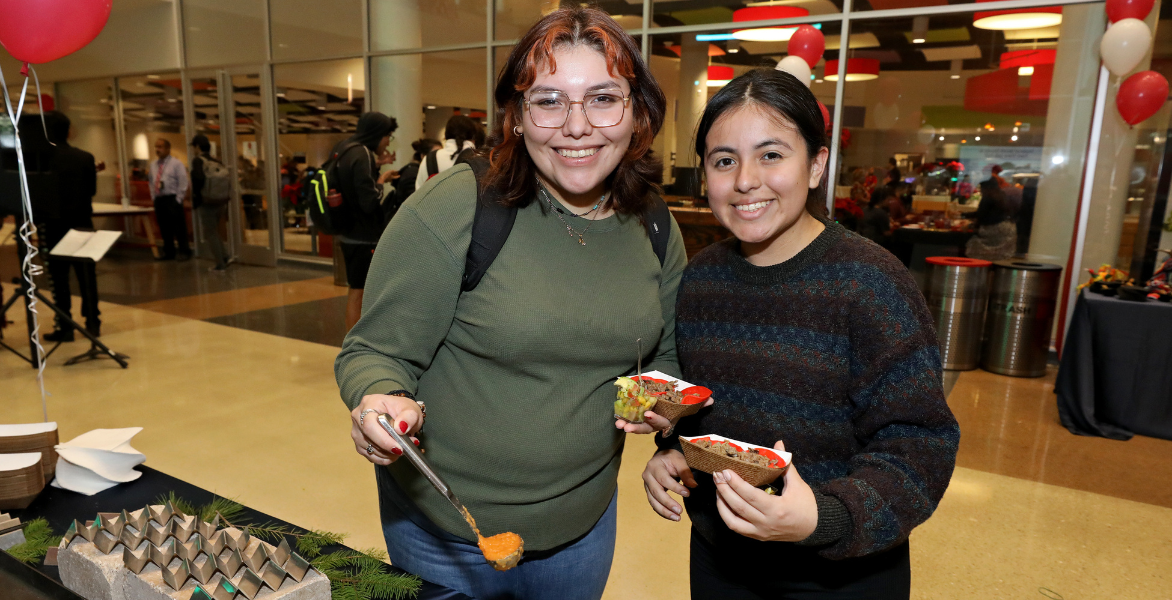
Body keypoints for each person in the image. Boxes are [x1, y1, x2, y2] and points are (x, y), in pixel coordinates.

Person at [335, 7, 690, 599]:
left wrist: (660, 412)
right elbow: (375, 350)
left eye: (603, 98)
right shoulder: (459, 207)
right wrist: (382, 399)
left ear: (638, 113)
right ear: (517, 117)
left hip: (584, 524)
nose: (577, 127)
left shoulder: (652, 221)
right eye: (549, 100)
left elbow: (668, 357)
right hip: (446, 529)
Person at [641, 68, 959, 599]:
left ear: (816, 165)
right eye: (724, 160)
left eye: (771, 155)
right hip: (722, 561)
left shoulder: (872, 282)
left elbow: (920, 445)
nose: (745, 180)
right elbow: (709, 409)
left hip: (840, 573)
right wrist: (673, 448)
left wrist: (823, 519)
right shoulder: (702, 278)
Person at [334, 112, 398, 331]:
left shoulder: (345, 148)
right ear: (377, 134)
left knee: (357, 290)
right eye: (387, 136)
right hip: (362, 235)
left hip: (348, 231)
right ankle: (353, 348)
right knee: (359, 292)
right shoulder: (363, 154)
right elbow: (369, 202)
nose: (388, 141)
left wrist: (378, 165)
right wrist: (381, 181)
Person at [40, 112, 102, 341]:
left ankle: (65, 325)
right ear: (68, 131)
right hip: (82, 223)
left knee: (59, 279)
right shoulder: (85, 158)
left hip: (54, 225)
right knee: (87, 276)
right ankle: (93, 322)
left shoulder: (43, 159)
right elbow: (92, 190)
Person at [190, 134, 230, 272]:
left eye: (193, 146)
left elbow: (198, 180)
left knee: (210, 233)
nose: (193, 150)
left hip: (206, 202)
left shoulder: (198, 161)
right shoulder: (217, 161)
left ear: (197, 147)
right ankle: (224, 256)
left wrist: (196, 198)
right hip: (220, 201)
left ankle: (220, 264)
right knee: (215, 230)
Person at [148, 138, 191, 261]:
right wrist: (153, 197)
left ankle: (184, 251)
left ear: (167, 149)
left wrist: (179, 199)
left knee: (179, 227)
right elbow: (151, 182)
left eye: (160, 147)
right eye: (156, 147)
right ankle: (169, 252)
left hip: (172, 199)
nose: (158, 149)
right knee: (164, 227)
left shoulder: (176, 164)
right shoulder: (153, 165)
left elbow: (183, 182)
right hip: (160, 199)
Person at [413, 114, 479, 190]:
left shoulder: (429, 159)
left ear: (446, 135)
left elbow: (419, 192)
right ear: (473, 136)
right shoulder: (479, 158)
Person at [966, 179, 1017, 261]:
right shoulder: (1002, 195)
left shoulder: (987, 197)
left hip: (993, 230)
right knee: (998, 257)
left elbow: (981, 215)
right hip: (1007, 228)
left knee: (972, 244)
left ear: (985, 188)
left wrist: (967, 221)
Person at [393, 138, 440, 204]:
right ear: (423, 156)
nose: (439, 157)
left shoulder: (416, 170)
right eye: (435, 154)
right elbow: (415, 202)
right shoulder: (413, 173)